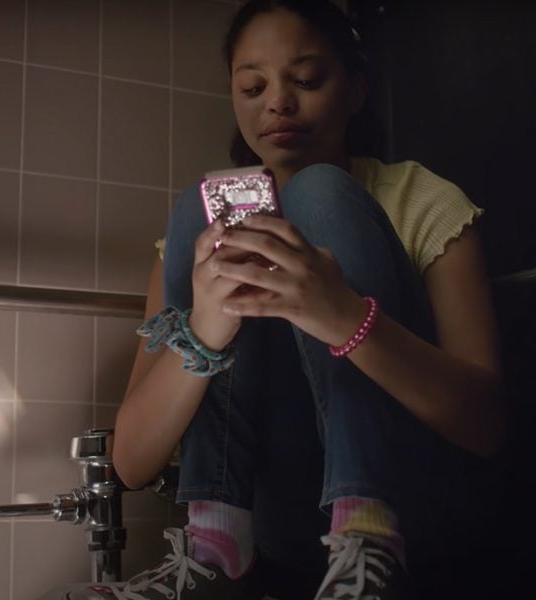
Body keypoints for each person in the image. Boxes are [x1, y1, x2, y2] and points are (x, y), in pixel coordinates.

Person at [88, 1, 504, 598]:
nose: (278, 102)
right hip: (283, 523)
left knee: (321, 195)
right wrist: (205, 332)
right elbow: (130, 462)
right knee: (201, 204)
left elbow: (487, 425)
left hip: (418, 513)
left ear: (356, 89)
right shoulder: (193, 236)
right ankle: (215, 544)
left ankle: (368, 531)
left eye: (306, 80)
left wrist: (347, 320)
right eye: (253, 86)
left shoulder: (421, 199)